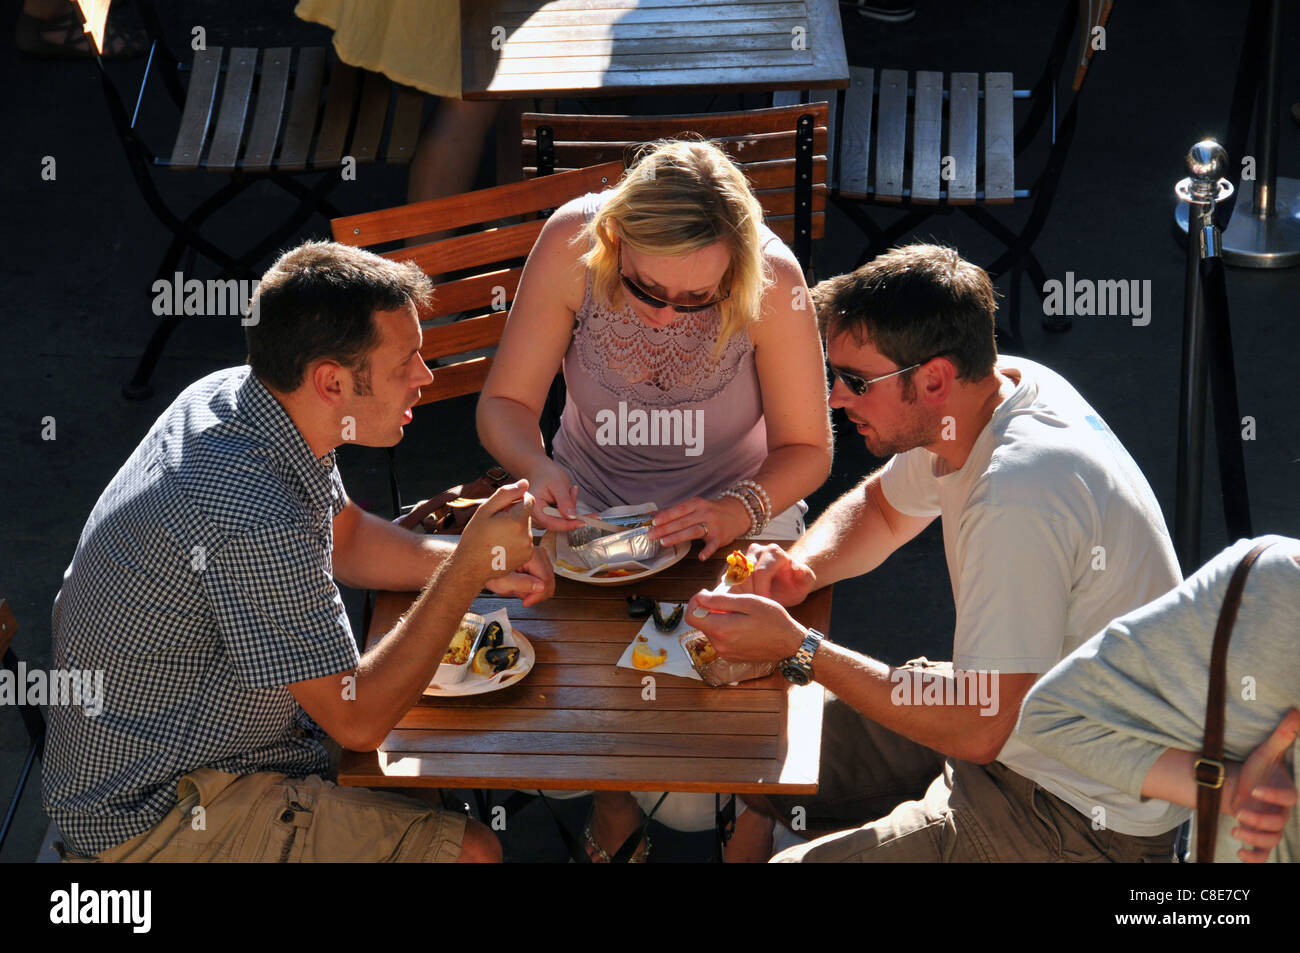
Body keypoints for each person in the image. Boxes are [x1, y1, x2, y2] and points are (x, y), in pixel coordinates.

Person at [42, 240, 554, 863]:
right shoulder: (249, 508)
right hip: (155, 813)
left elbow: (349, 538)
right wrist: (470, 564)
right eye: (406, 363)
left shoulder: (246, 396)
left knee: (432, 770)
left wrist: (476, 560)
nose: (426, 378)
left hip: (215, 751)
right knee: (471, 850)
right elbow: (357, 719)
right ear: (331, 382)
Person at [686, 243, 1187, 861]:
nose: (837, 398)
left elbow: (980, 726)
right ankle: (763, 825)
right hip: (1015, 716)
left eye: (856, 381)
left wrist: (800, 649)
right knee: (765, 745)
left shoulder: (1017, 495)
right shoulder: (991, 395)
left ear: (933, 378)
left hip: (1074, 814)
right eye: (832, 374)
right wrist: (799, 569)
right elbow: (883, 509)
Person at [476, 138, 833, 860]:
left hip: (736, 511)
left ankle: (753, 814)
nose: (669, 316)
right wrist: (536, 466)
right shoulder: (570, 242)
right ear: (614, 243)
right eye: (647, 290)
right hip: (589, 510)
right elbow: (506, 404)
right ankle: (613, 803)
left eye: (699, 298)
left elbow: (810, 449)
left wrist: (740, 509)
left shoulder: (775, 278)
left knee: (715, 750)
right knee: (550, 701)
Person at [1019, 535, 1300, 863]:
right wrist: (1230, 788)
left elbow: (1049, 716)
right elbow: (1053, 715)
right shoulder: (1274, 590)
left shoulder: (1272, 586)